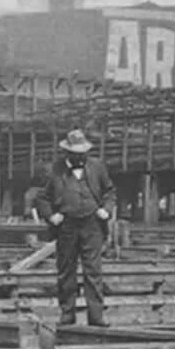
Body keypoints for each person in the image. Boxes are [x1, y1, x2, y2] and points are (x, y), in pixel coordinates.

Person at [38, 128, 116, 328]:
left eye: (83, 153)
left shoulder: (97, 167)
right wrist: (51, 216)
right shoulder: (54, 170)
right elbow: (43, 198)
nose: (80, 157)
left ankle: (96, 317)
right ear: (67, 153)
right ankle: (67, 314)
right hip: (67, 225)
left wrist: (106, 209)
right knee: (66, 271)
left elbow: (109, 192)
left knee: (93, 271)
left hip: (92, 224)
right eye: (75, 154)